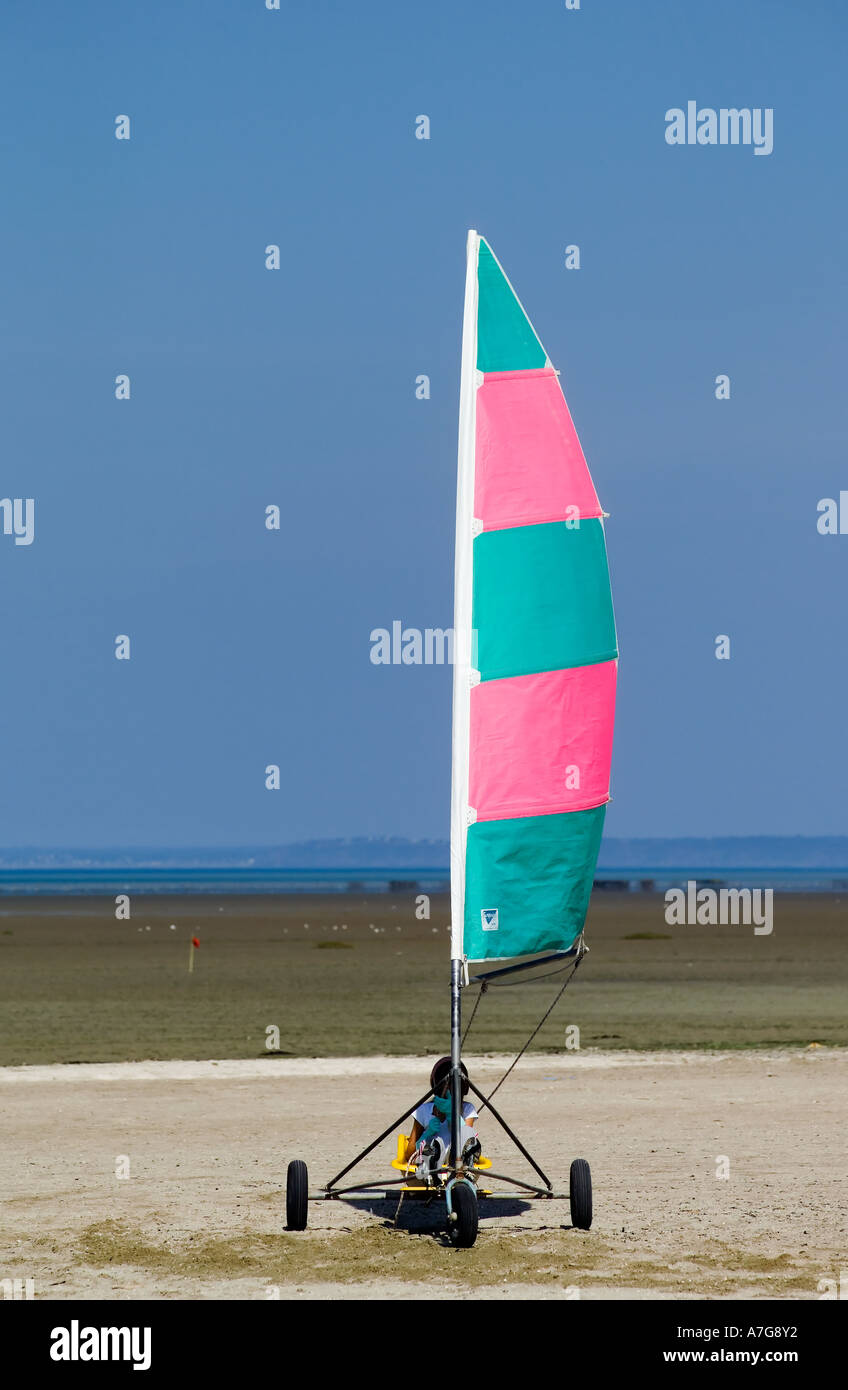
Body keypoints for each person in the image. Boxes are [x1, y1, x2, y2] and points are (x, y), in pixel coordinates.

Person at [402, 1057, 479, 1171]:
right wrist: (426, 1134)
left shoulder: (467, 1109)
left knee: (470, 1139)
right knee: (433, 1148)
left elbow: (467, 1138)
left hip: (458, 1160)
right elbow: (409, 1154)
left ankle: (459, 1165)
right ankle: (432, 1161)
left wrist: (452, 1115)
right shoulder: (423, 1110)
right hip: (429, 1160)